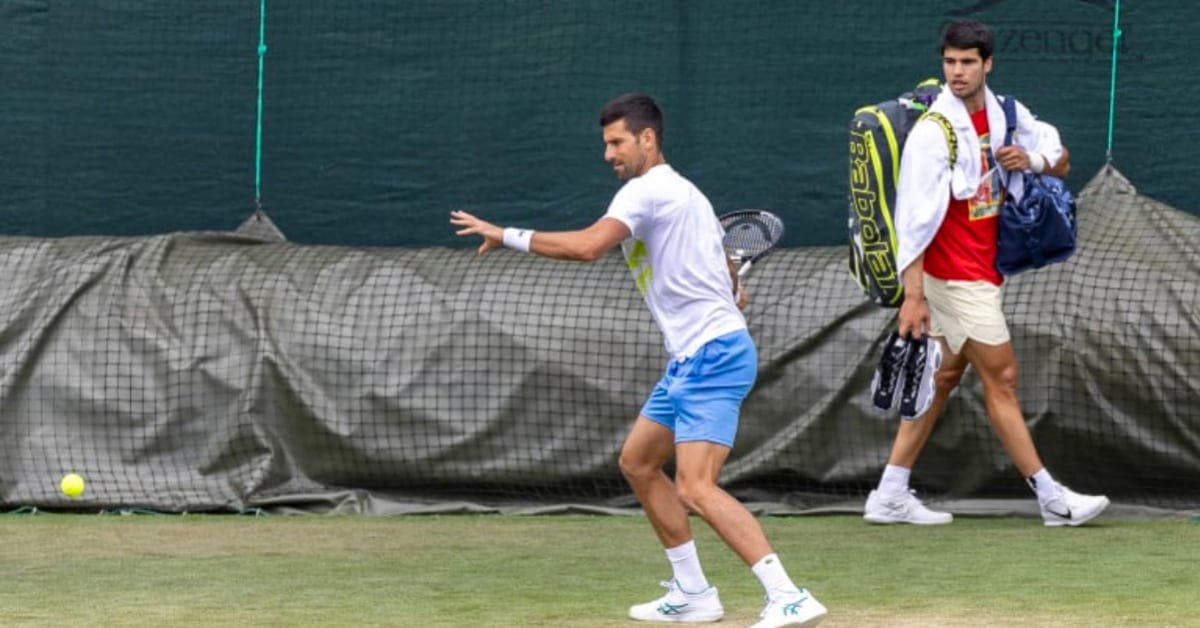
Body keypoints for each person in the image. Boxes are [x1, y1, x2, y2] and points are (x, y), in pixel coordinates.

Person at [451, 93, 827, 627]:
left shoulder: (646, 193)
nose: (608, 153)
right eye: (606, 143)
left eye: (617, 142)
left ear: (647, 139)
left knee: (696, 486)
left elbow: (587, 247)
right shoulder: (686, 194)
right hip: (692, 357)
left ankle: (787, 594)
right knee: (638, 462)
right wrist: (729, 285)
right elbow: (724, 274)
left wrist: (506, 234)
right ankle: (694, 592)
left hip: (714, 356)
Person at [863, 19, 1109, 527]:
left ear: (987, 64)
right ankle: (1052, 499)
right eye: (950, 62)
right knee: (1003, 377)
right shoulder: (933, 134)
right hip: (951, 278)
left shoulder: (1007, 116)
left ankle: (889, 491)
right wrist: (914, 296)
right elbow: (912, 221)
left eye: (967, 62)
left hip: (985, 271)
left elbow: (1061, 162)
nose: (957, 72)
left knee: (946, 375)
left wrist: (1032, 159)